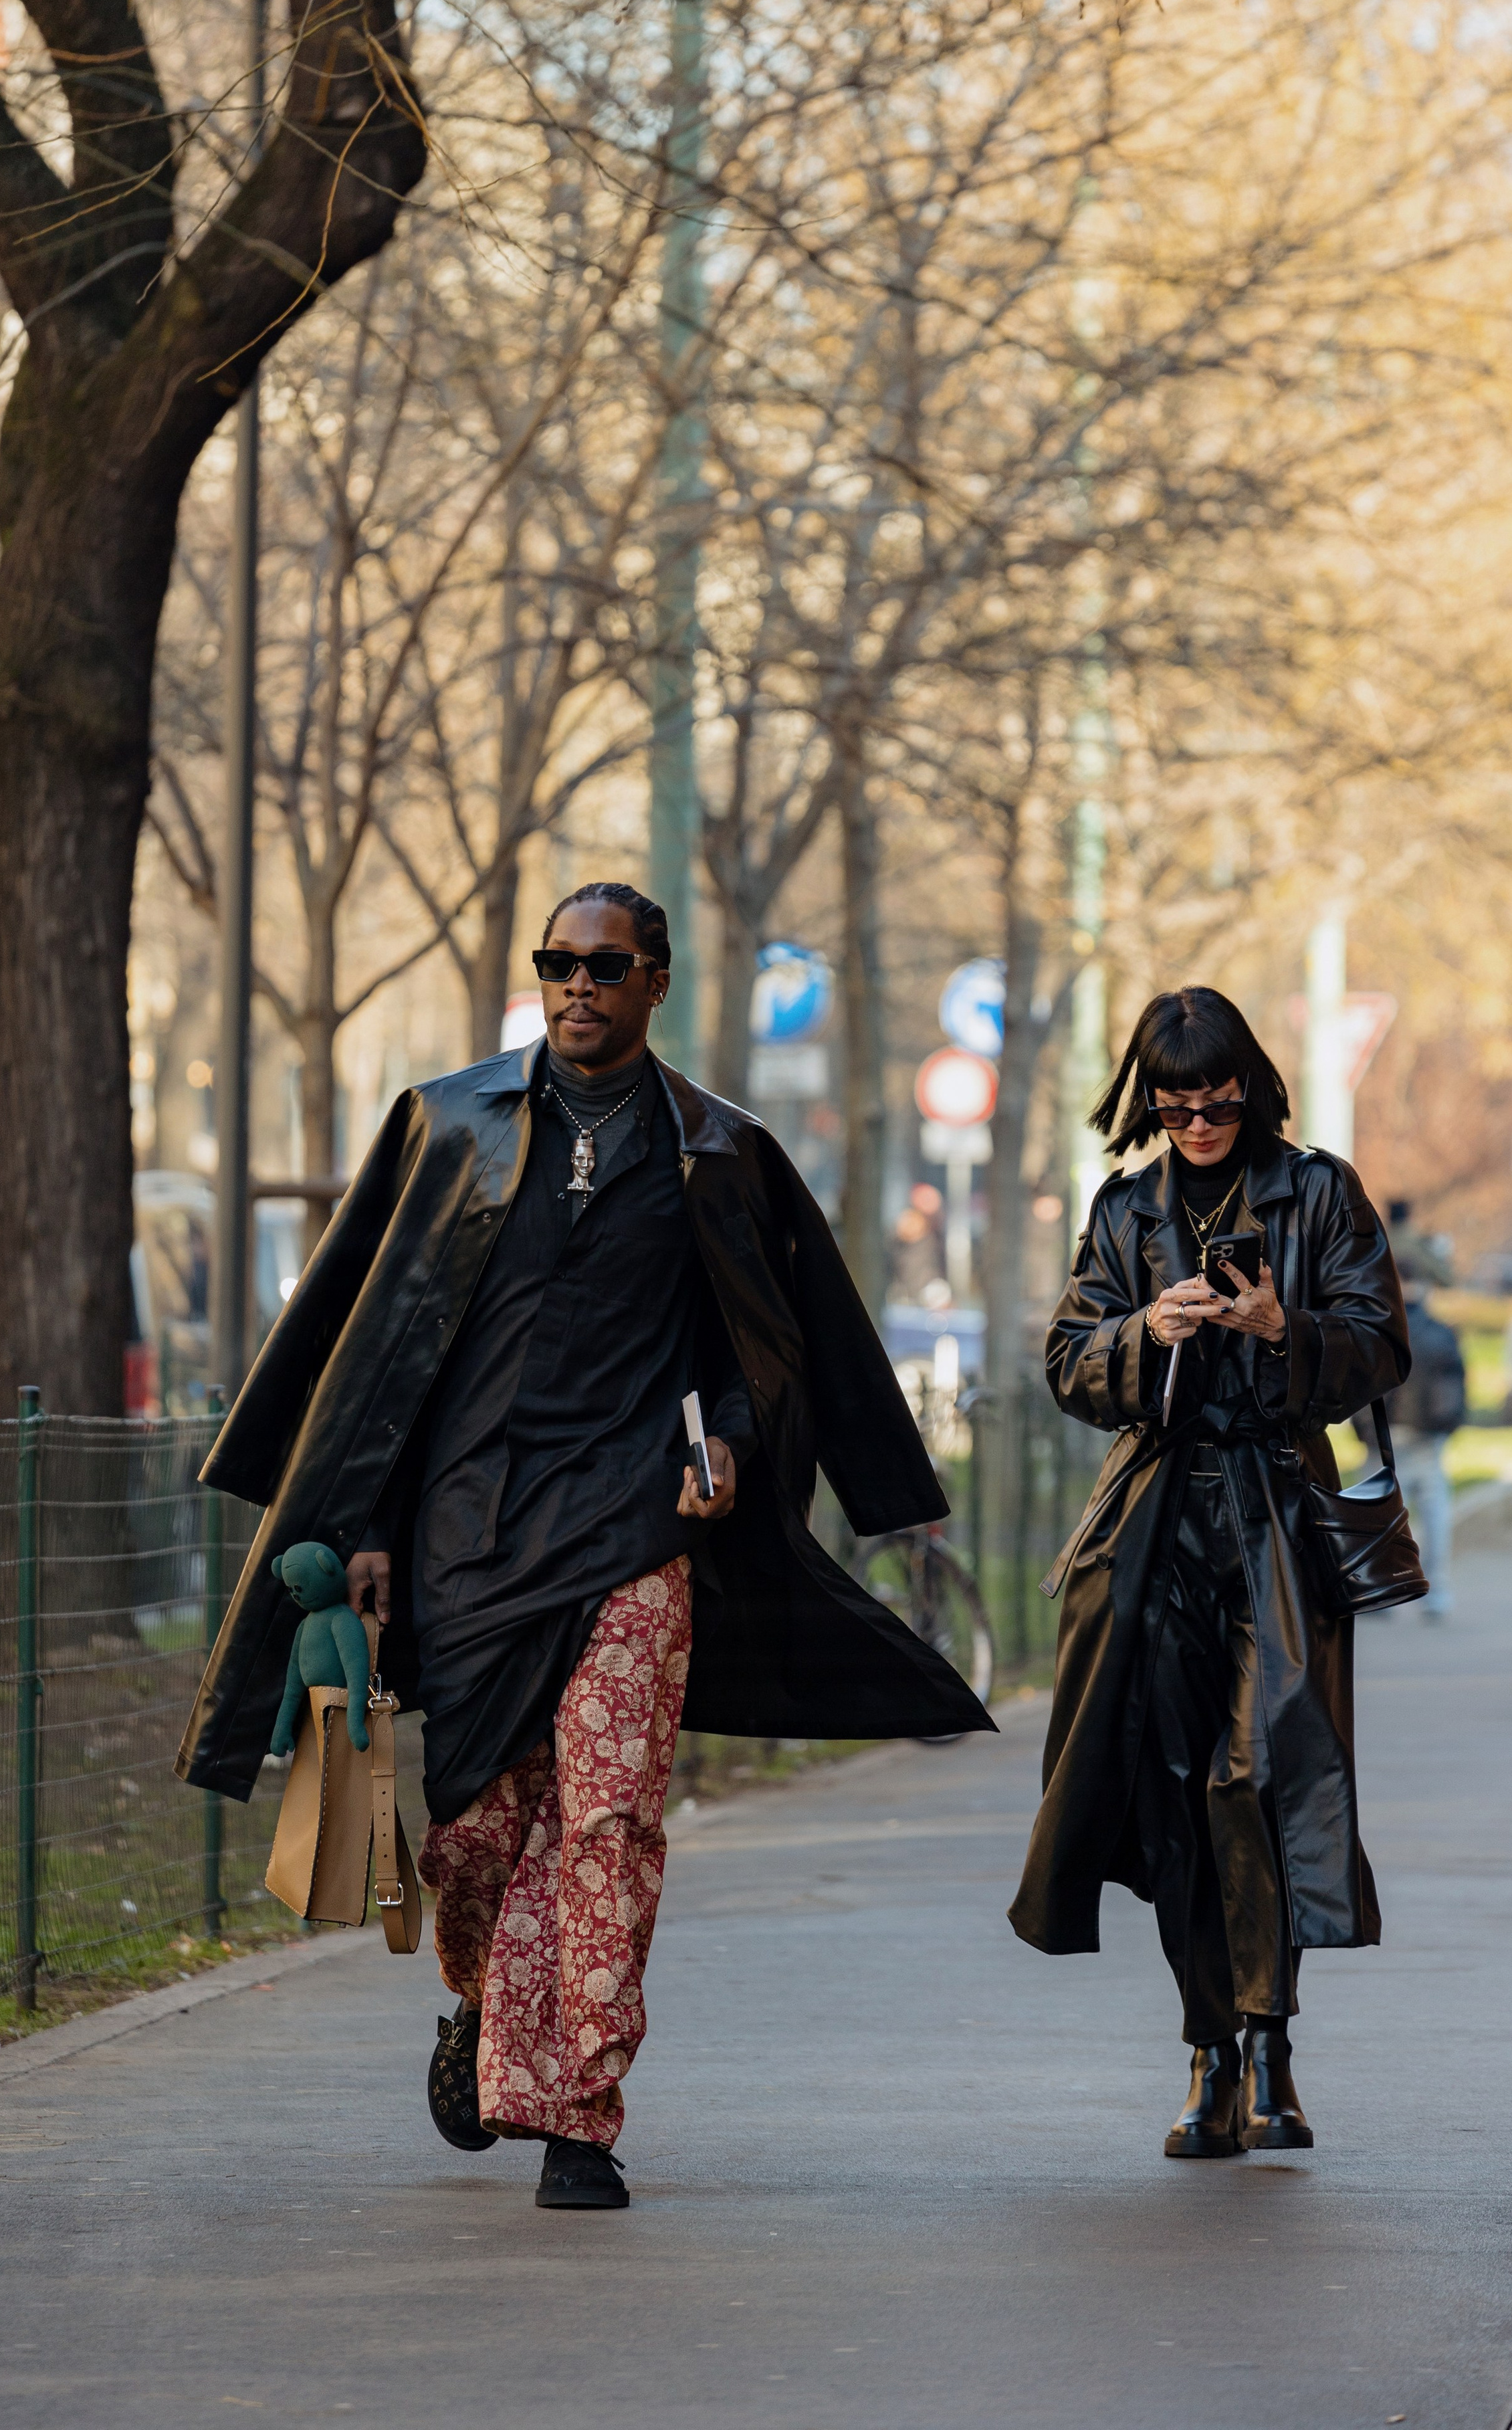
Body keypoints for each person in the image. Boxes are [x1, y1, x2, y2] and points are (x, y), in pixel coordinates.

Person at [177, 882, 990, 2211]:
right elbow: (382, 1358)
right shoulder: (450, 1127)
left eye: (603, 965)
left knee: (607, 1822)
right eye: (555, 961)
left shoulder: (716, 1152)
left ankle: (575, 2117)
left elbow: (762, 1344)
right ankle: (482, 2014)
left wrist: (726, 1439)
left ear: (654, 981)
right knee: (477, 1840)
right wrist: (368, 1529)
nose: (575, 985)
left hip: (635, 1529)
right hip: (469, 1537)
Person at [1008, 986, 1408, 2160]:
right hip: (1157, 1522)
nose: (1196, 1120)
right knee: (1176, 1784)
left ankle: (1270, 2038)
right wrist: (1151, 1333)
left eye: (1216, 1098)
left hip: (1277, 1514)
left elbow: (1379, 1346)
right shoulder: (1127, 1211)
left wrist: (1285, 1328)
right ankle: (1210, 2051)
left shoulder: (1318, 1191)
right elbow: (1070, 1362)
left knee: (1257, 1776)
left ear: (1253, 1087)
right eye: (1174, 1103)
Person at [1381, 1251, 1466, 1617]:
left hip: (1386, 1437)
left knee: (1382, 1516)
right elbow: (1454, 1387)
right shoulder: (1440, 1331)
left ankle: (1384, 1590)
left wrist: (1367, 1432)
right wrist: (1445, 1426)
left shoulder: (1379, 1328)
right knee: (1434, 1516)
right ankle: (1436, 1592)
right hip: (1427, 1436)